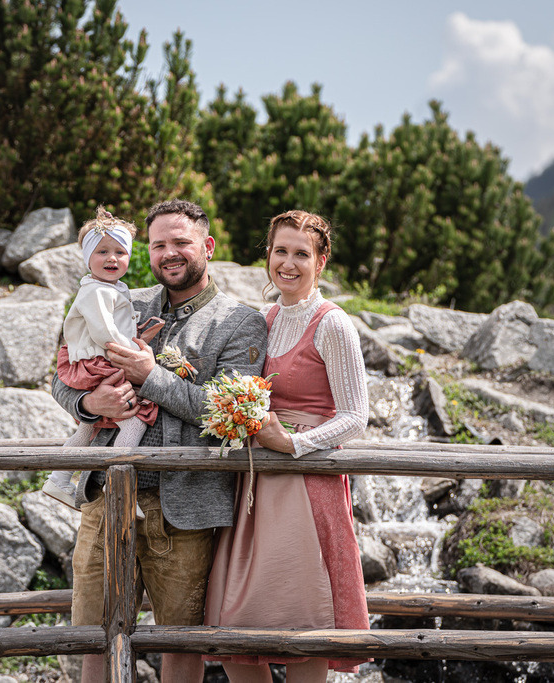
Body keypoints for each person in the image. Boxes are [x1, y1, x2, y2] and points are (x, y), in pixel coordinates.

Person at [50, 199, 268, 683]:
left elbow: (222, 415)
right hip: (106, 496)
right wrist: (91, 407)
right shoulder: (120, 298)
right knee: (94, 633)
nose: (169, 253)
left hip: (186, 507)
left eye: (181, 243)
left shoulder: (240, 322)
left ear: (207, 247)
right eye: (158, 245)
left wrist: (151, 377)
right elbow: (64, 376)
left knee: (180, 639)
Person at [204, 209, 371, 683]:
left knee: (306, 618)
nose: (289, 263)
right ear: (268, 255)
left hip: (308, 483)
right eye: (281, 251)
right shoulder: (263, 318)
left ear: (321, 262)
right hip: (255, 484)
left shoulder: (333, 325)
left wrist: (294, 443)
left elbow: (356, 416)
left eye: (302, 253)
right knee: (237, 625)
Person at [41, 206, 160, 514]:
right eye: (102, 251)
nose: (112, 258)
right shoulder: (95, 292)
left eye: (120, 252)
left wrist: (139, 334)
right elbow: (104, 331)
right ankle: (117, 484)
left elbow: (116, 327)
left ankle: (58, 478)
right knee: (135, 419)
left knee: (89, 426)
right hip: (101, 360)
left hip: (101, 357)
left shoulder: (110, 289)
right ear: (87, 258)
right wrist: (133, 351)